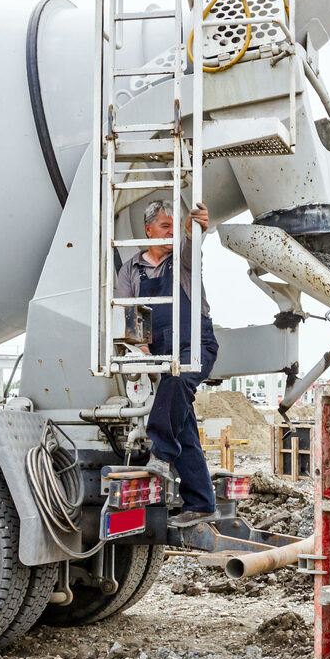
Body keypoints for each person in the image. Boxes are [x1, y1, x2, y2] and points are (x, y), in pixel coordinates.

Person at [114, 200, 220, 528]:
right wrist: (140, 349)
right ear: (148, 230)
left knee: (177, 382)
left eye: (174, 228)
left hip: (195, 343)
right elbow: (130, 312)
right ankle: (201, 502)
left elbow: (192, 248)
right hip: (161, 351)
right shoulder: (131, 269)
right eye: (164, 227)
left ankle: (160, 453)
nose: (170, 233)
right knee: (183, 422)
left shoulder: (182, 261)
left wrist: (193, 227)